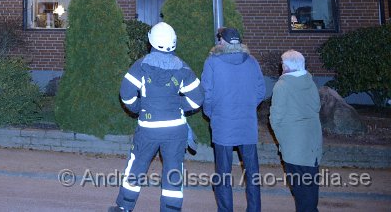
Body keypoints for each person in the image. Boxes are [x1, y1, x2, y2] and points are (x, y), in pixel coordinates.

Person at [110, 22, 204, 212]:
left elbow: (126, 93)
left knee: (136, 166)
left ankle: (124, 207)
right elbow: (198, 98)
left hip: (148, 129)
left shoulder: (141, 66)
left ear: (151, 41)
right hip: (175, 130)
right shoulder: (182, 68)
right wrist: (179, 108)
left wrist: (138, 108)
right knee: (174, 170)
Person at [202, 27, 266, 212]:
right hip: (247, 125)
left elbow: (208, 92)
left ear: (224, 41)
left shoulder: (213, 62)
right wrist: (246, 106)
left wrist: (211, 112)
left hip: (223, 125)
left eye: (220, 39)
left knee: (223, 173)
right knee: (252, 172)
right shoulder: (252, 61)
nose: (218, 42)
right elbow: (260, 91)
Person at [270, 50, 322, 212]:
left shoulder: (282, 86)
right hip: (313, 142)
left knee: (301, 192)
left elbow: (275, 119)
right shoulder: (310, 82)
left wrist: (283, 140)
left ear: (285, 66)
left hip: (294, 147)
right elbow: (316, 107)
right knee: (311, 188)